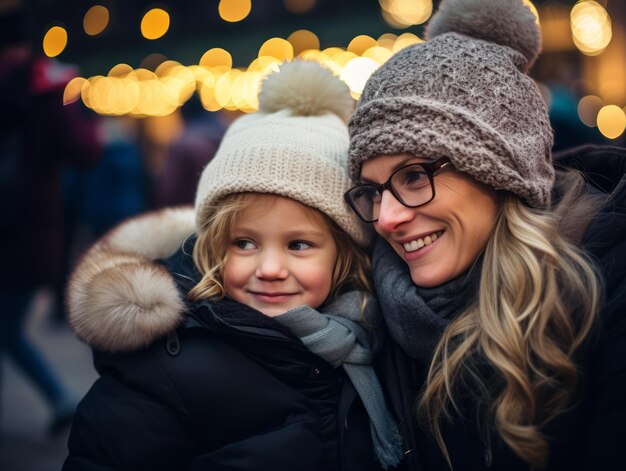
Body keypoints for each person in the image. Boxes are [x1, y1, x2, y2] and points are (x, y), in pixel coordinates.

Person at [62, 61, 403, 470]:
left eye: (298, 244)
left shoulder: (375, 343)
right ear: (212, 249)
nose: (271, 268)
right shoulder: (163, 368)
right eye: (243, 243)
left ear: (344, 254)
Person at [344, 0, 626, 469]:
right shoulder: (373, 318)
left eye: (414, 175)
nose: (387, 219)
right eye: (372, 191)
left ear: (500, 175)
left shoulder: (605, 300)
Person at [0, 6, 101, 435]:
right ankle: (61, 398)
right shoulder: (46, 91)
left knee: (6, 329)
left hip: (16, 231)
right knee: (7, 327)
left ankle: (59, 398)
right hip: (29, 231)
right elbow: (85, 152)